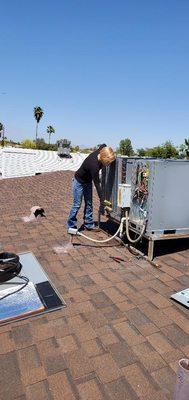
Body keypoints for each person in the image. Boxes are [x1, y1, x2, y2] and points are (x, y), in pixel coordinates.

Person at [67, 144, 116, 231]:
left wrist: (110, 152)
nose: (108, 164)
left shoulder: (101, 151)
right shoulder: (94, 166)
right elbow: (97, 185)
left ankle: (89, 224)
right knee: (77, 204)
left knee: (89, 203)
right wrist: (102, 201)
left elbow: (103, 145)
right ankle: (70, 225)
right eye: (107, 162)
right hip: (78, 181)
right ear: (103, 158)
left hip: (87, 181)